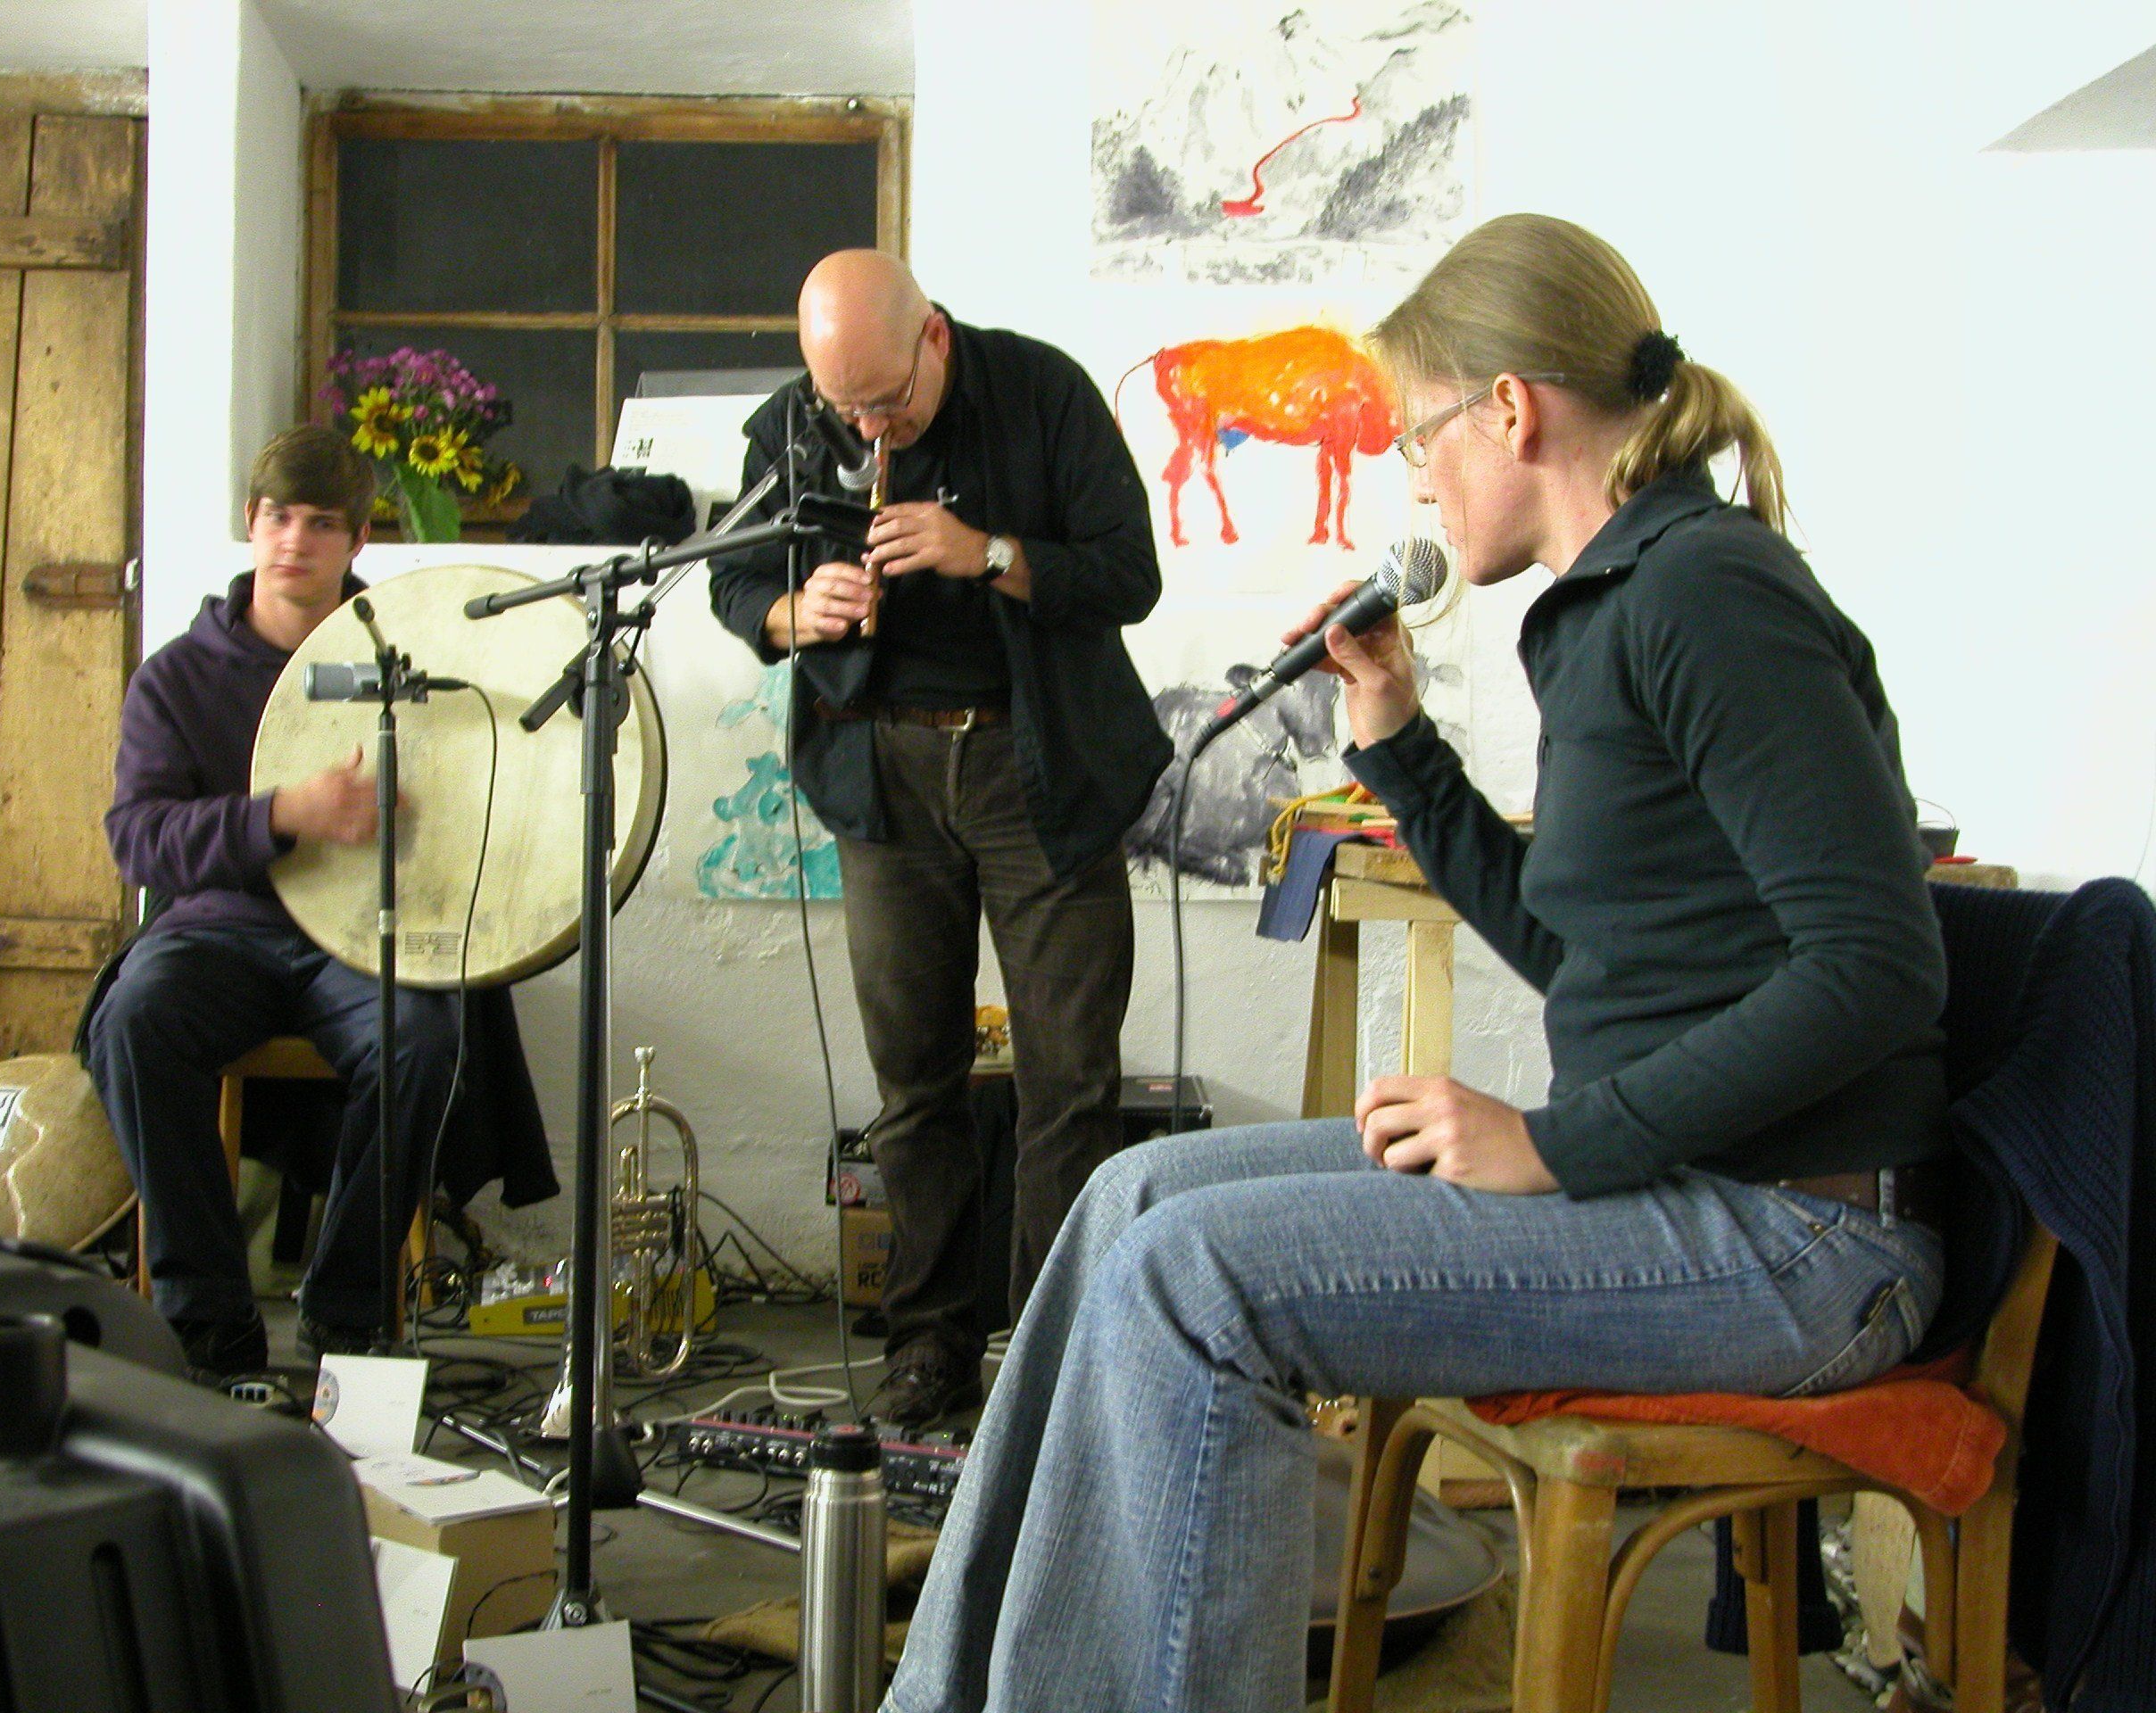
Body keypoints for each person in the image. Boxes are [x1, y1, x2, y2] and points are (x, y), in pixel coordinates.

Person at [880, 213, 1953, 1713]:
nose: (1415, 480)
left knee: (1195, 1281)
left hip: (1801, 1238)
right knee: (1133, 1196)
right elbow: (1576, 955)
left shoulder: (1710, 596)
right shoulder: (1615, 605)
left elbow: (1880, 967)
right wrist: (1396, 739)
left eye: (1416, 439)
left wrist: (1558, 1143)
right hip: (1692, 1186)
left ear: (1511, 409)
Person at [709, 251, 1172, 1427]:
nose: (869, 430)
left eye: (887, 403)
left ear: (935, 337)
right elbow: (735, 580)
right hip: (883, 773)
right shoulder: (794, 427)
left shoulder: (1043, 394)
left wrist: (990, 555)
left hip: (1037, 768)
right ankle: (929, 1342)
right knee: (913, 1079)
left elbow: (1129, 575)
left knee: (1068, 1079)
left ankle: (1052, 1356)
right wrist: (789, 613)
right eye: (846, 409)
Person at [84, 426, 551, 1376]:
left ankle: (347, 1308)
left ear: (359, 538)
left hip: (367, 938)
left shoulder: (414, 662)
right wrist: (282, 815)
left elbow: (480, 798)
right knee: (136, 1020)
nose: (295, 539)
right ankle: (207, 1316)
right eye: (279, 516)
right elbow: (138, 837)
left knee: (422, 1042)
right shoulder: (177, 677)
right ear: (251, 523)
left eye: (322, 522)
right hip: (222, 931)